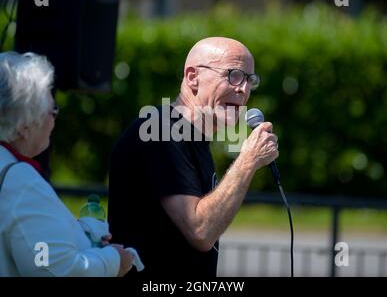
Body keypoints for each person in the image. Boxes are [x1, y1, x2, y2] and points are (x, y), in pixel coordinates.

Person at [108, 37, 279, 277]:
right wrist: (248, 161)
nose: (243, 89)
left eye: (250, 79)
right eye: (233, 75)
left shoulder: (189, 137)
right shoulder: (160, 131)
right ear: (192, 77)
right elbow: (201, 231)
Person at [0, 51, 133, 277]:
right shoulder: (20, 182)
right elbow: (51, 269)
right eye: (52, 110)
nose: (54, 119)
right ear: (24, 126)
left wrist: (79, 232)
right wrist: (113, 261)